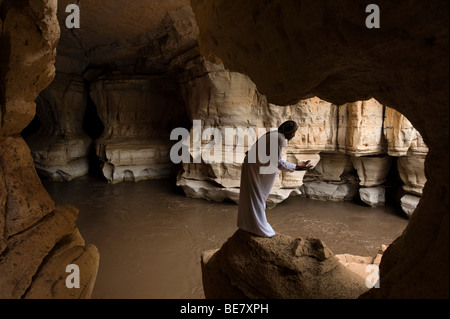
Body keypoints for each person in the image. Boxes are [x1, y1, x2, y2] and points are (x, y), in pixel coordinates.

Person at [237, 120, 312, 237]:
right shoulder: (277, 138)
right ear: (289, 131)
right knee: (257, 196)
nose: (294, 135)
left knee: (253, 196)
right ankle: (258, 228)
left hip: (253, 165)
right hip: (254, 167)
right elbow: (277, 163)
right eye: (294, 132)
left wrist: (296, 167)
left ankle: (248, 225)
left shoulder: (274, 135)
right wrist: (296, 167)